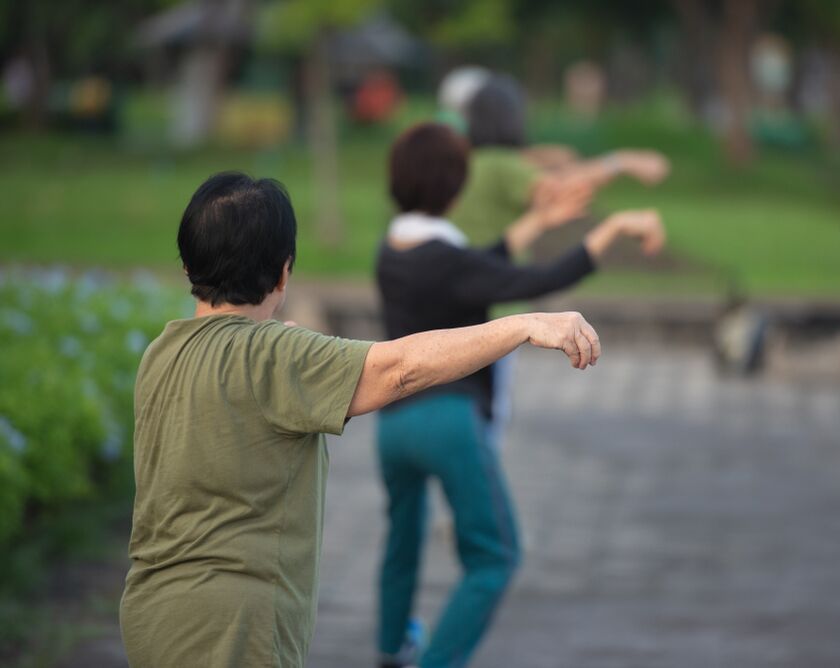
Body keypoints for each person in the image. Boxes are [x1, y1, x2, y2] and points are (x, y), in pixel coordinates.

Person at [118, 172, 604, 668]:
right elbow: (399, 369)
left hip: (150, 614)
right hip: (231, 629)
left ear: (187, 265)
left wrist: (285, 347)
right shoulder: (276, 357)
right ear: (283, 274)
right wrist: (523, 324)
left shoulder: (161, 354)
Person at [375, 123, 664, 668]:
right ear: (455, 190)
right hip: (448, 421)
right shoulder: (451, 262)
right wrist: (612, 228)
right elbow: (532, 278)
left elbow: (479, 267)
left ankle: (390, 652)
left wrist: (537, 221)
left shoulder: (392, 250)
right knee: (495, 556)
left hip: (391, 427)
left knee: (402, 547)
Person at [449, 73, 671, 247]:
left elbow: (528, 159)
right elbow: (564, 189)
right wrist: (622, 162)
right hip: (497, 287)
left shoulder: (472, 159)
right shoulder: (503, 164)